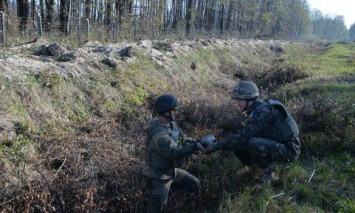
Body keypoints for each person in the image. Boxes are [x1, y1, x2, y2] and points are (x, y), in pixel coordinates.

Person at [203, 81, 300, 183]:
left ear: (249, 99)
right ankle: (253, 169)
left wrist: (216, 146)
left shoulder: (264, 111)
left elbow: (245, 136)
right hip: (278, 144)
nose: (238, 104)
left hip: (289, 150)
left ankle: (268, 176)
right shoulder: (256, 109)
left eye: (239, 100)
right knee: (239, 144)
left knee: (253, 142)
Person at [143, 94, 204, 212]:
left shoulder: (172, 125)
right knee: (156, 209)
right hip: (158, 176)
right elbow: (171, 152)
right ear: (165, 112)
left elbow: (182, 139)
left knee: (194, 184)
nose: (176, 112)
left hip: (172, 171)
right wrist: (193, 147)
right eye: (174, 110)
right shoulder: (157, 132)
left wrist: (196, 142)